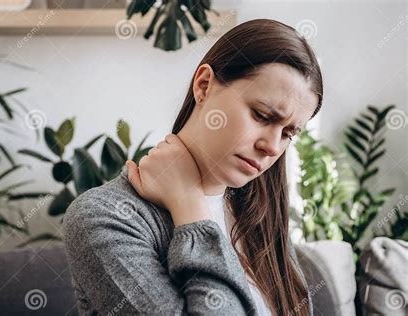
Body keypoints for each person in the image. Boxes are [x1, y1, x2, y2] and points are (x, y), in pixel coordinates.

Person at [63, 18, 323, 316]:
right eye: (262, 115)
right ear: (204, 85)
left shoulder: (259, 215)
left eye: (289, 133)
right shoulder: (104, 217)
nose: (273, 146)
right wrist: (189, 205)